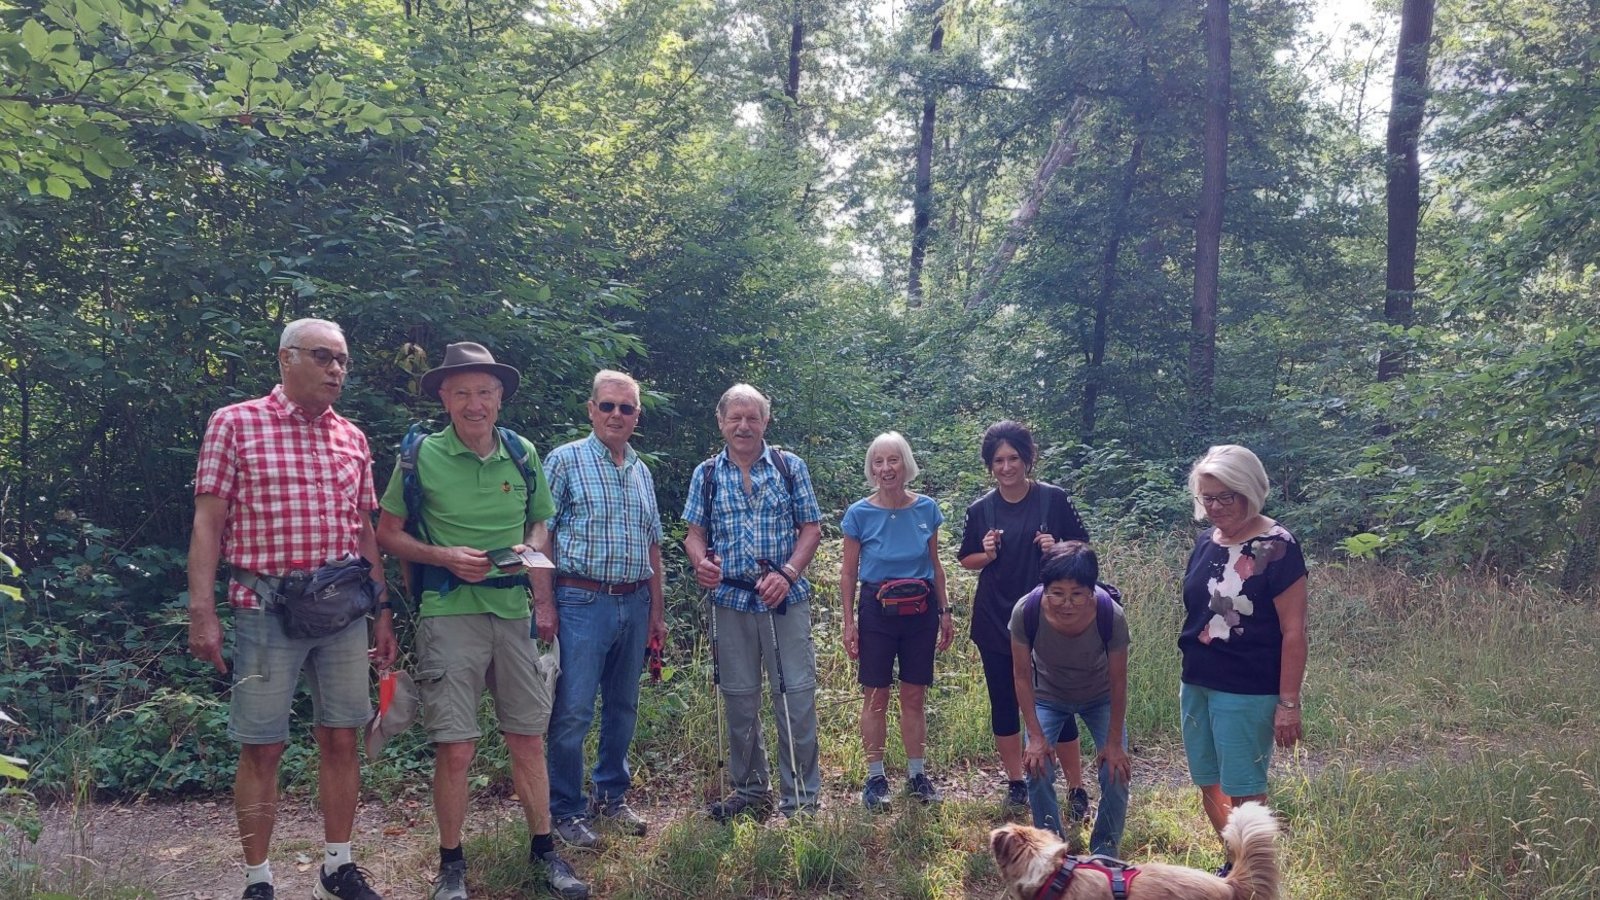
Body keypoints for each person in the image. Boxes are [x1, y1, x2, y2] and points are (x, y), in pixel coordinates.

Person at [186, 318, 396, 900]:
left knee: (342, 737)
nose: (336, 370)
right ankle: (258, 878)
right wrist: (201, 609)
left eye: (343, 361)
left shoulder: (352, 438)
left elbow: (364, 530)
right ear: (286, 358)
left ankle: (337, 867)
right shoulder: (235, 423)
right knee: (263, 744)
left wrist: (381, 610)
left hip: (343, 615)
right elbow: (208, 522)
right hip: (265, 606)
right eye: (324, 357)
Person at [375, 342, 587, 900]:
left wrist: (536, 576)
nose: (475, 404)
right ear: (444, 397)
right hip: (448, 614)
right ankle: (452, 866)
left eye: (486, 393)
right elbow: (387, 532)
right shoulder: (419, 456)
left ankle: (546, 852)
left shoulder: (521, 452)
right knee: (457, 747)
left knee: (528, 740)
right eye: (463, 392)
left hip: (513, 611)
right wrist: (445, 557)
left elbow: (542, 524)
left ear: (500, 398)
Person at [683, 383, 824, 821]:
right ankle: (749, 793)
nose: (744, 425)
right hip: (730, 599)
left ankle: (801, 799)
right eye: (735, 417)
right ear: (720, 421)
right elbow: (694, 535)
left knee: (794, 696)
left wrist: (787, 573)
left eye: (753, 417)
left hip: (785, 597)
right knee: (739, 697)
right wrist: (700, 562)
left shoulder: (788, 466)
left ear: (766, 421)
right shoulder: (707, 474)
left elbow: (811, 527)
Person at [541, 370, 667, 848]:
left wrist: (657, 612)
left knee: (623, 706)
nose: (617, 414)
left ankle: (610, 796)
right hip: (580, 600)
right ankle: (566, 810)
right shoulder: (565, 461)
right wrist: (544, 601)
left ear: (637, 416)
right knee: (572, 710)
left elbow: (653, 545)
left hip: (634, 601)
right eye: (608, 406)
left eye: (627, 408)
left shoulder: (640, 469)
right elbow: (541, 535)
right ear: (591, 409)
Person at [1179, 444, 1307, 871]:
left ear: (1249, 490)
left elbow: (1294, 632)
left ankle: (1256, 877)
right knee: (1208, 780)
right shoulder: (1205, 542)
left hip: (1248, 687)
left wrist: (1288, 703)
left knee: (1245, 790)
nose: (1214, 507)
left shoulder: (1278, 546)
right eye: (1206, 498)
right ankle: (1235, 866)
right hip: (1197, 680)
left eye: (1224, 497)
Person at [957, 420, 1092, 814]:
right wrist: (986, 552)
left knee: (1057, 701)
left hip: (1049, 618)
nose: (1006, 467)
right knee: (1004, 701)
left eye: (1013, 458)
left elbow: (1083, 549)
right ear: (989, 465)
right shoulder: (981, 509)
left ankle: (1076, 787)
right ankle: (1017, 782)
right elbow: (967, 559)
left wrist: (1058, 546)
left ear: (1027, 459)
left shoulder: (1053, 499)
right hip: (995, 617)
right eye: (998, 460)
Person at [839, 432, 954, 810]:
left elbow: (936, 567)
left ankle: (917, 775)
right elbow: (849, 573)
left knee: (914, 694)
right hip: (876, 608)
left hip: (920, 610)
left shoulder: (927, 510)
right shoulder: (859, 514)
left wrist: (945, 610)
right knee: (875, 696)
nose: (886, 469)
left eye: (893, 460)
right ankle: (875, 779)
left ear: (906, 464)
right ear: (871, 468)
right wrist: (848, 622)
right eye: (878, 462)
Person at [1012, 541, 1131, 857]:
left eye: (1077, 594)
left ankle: (1105, 853)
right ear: (1044, 587)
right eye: (1057, 593)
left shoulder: (1111, 615)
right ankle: (1052, 851)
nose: (1066, 603)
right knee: (1035, 767)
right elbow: (1022, 676)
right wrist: (1035, 736)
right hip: (1049, 695)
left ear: (1091, 590)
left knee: (1116, 771)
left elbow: (1119, 682)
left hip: (1100, 696)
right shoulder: (1026, 611)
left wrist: (1115, 743)